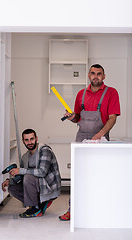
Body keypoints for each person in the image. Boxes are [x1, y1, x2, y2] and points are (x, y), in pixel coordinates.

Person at [59, 64, 121, 221]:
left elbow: (113, 118)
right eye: (93, 73)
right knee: (78, 175)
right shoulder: (81, 94)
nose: (96, 76)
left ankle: (99, 211)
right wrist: (72, 118)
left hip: (101, 137)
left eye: (99, 74)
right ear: (88, 75)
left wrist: (99, 135)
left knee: (101, 175)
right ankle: (72, 210)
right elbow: (78, 118)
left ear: (104, 76)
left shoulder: (111, 92)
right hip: (81, 137)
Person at [2, 128, 61, 218]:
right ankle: (40, 204)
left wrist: (20, 170)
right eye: (26, 140)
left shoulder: (44, 150)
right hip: (38, 187)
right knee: (12, 188)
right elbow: (22, 177)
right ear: (23, 141)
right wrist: (10, 181)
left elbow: (42, 172)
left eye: (32, 139)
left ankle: (35, 209)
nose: (30, 142)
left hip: (49, 187)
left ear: (36, 138)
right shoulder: (25, 157)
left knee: (28, 177)